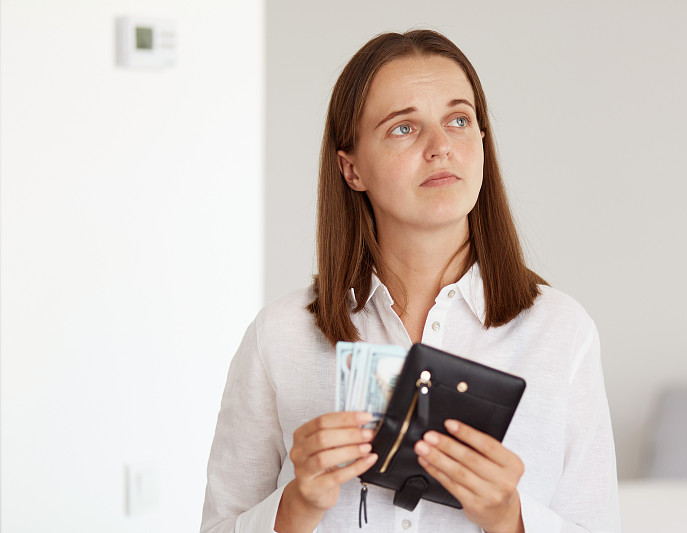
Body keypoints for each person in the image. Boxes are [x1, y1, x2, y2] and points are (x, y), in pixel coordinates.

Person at [200, 29, 620, 533]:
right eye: (404, 128)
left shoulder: (562, 332)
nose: (441, 147)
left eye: (459, 120)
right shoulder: (280, 336)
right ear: (351, 168)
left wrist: (511, 519)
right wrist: (294, 509)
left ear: (483, 143)